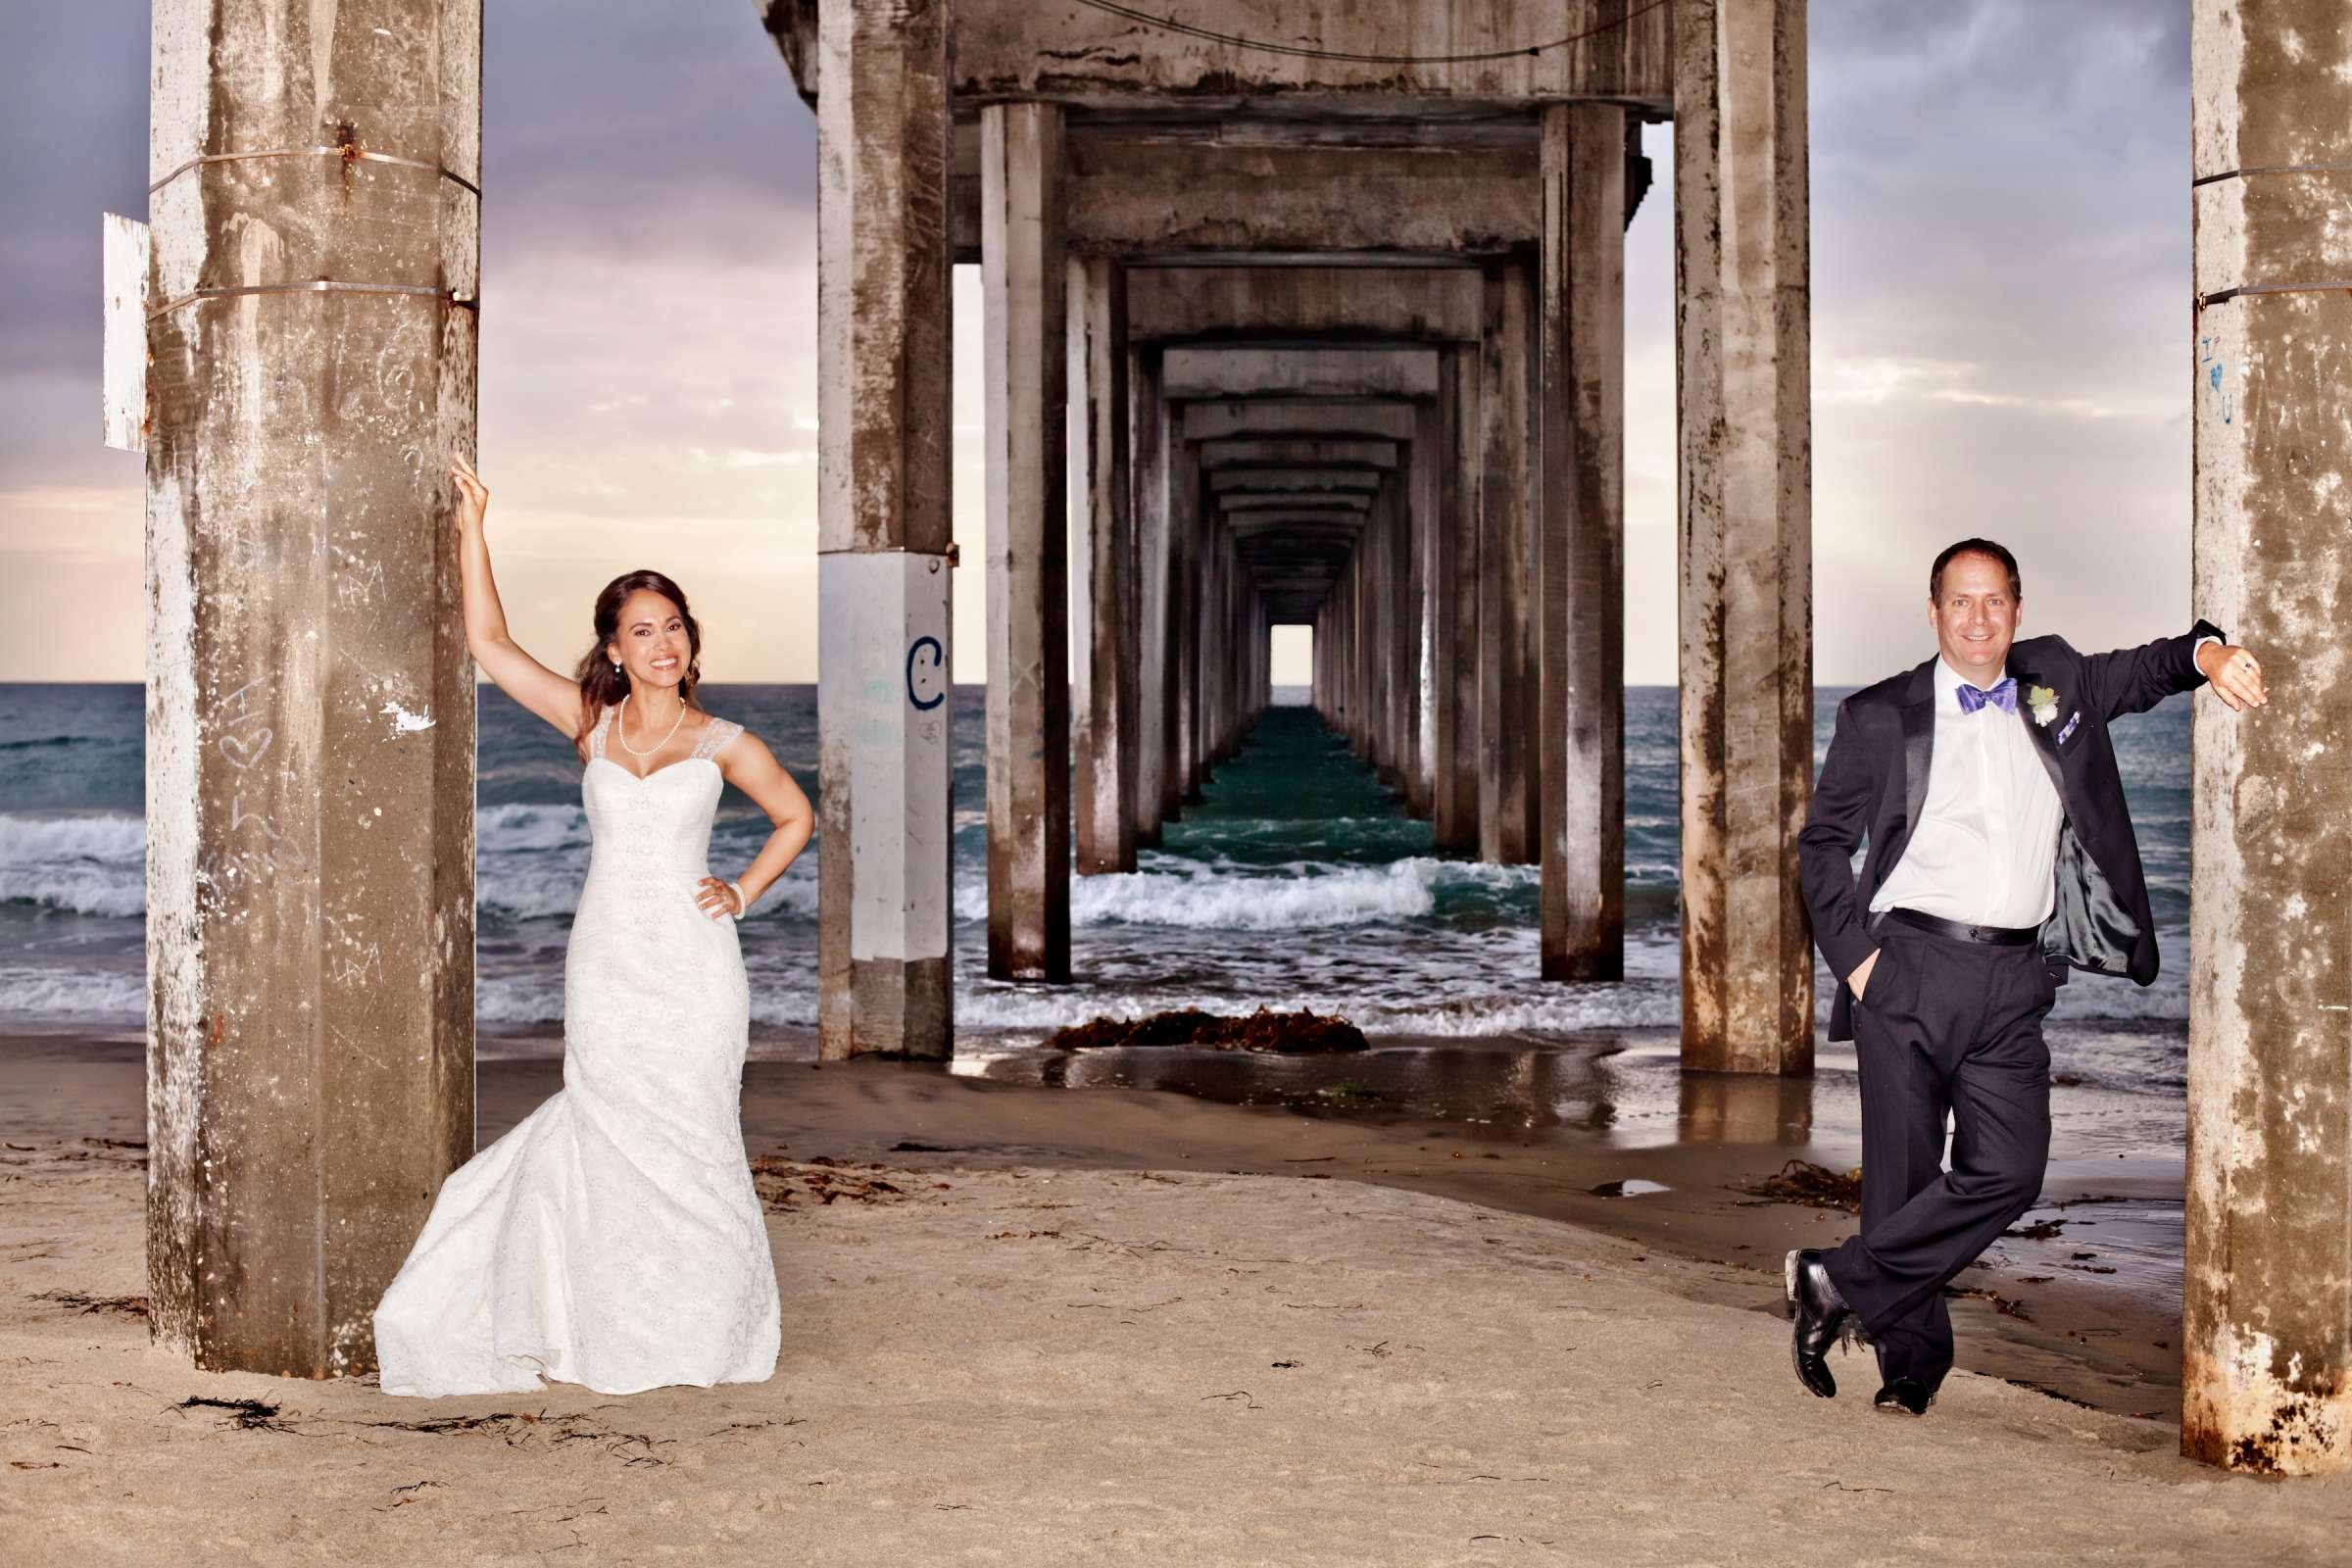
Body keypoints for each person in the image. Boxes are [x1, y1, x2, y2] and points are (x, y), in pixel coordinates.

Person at [1787, 538, 2264, 1415]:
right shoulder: (1880, 716)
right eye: (1960, 603)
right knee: (1902, 1182)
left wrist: (2210, 653)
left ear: (2017, 608)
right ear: (1933, 612)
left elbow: (2149, 668)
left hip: (2012, 979)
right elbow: (1822, 847)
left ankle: (1835, 1281)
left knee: (2010, 1171)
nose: (1978, 619)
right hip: (1908, 968)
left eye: (1994, 601)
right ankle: (1912, 1365)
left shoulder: (2058, 681)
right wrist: (1856, 962)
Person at [372, 455, 814, 1396]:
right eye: (640, 630)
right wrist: (472, 525)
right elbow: (489, 645)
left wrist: (741, 891)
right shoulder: (591, 725)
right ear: (613, 649)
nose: (661, 642)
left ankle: (702, 1332)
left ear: (692, 642)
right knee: (608, 1131)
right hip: (608, 960)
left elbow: (797, 818)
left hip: (695, 967)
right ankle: (605, 1325)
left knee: (694, 1135)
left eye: (673, 626)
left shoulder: (725, 742)